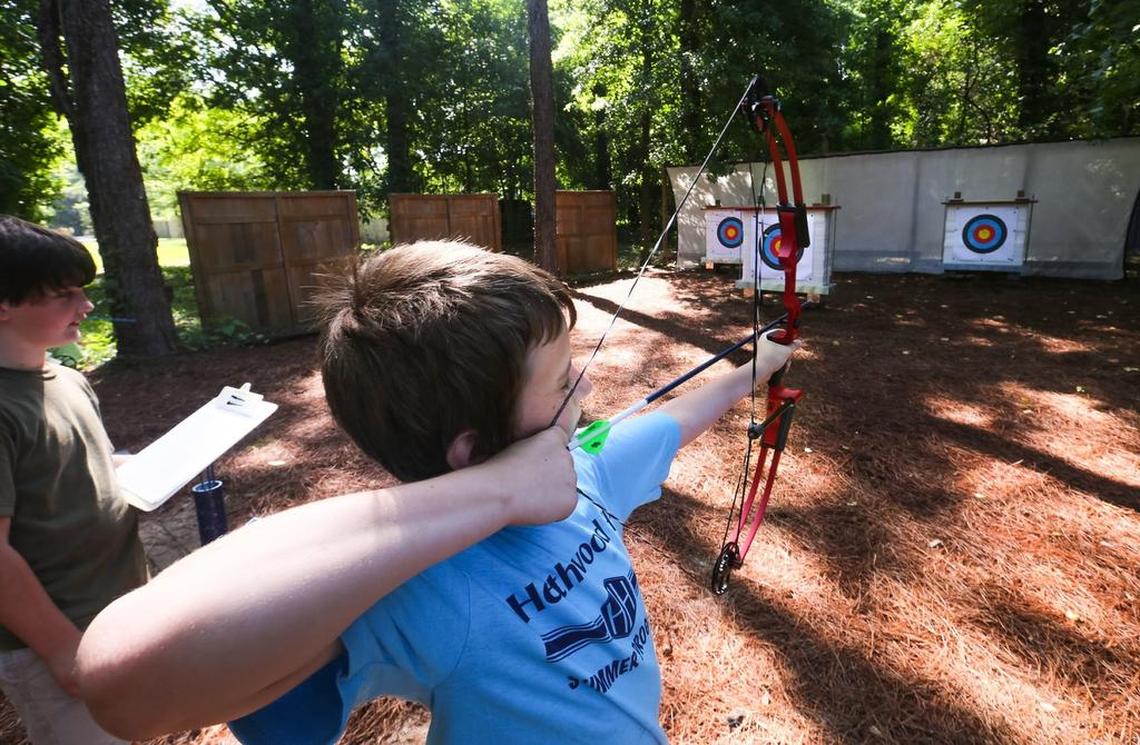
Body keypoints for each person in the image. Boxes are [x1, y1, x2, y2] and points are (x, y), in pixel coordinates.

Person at [76, 241, 798, 743]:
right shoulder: (418, 582)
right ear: (474, 449)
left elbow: (671, 418)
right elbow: (121, 677)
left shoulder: (586, 468)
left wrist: (751, 370)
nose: (583, 390)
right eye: (559, 382)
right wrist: (498, 495)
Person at [0, 215, 148, 744]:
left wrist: (148, 470)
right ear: (4, 304)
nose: (85, 307)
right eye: (64, 294)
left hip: (115, 610)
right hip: (55, 639)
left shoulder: (66, 379)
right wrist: (61, 646)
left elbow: (91, 466)